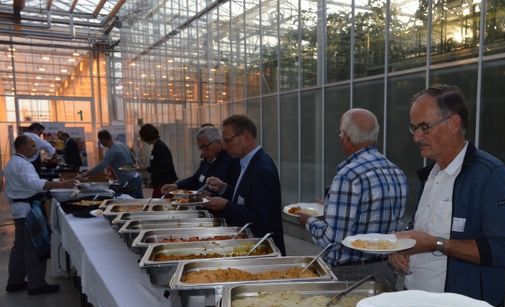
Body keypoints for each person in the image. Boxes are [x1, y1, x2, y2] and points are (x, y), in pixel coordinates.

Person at [388, 85, 505, 307]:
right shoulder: (431, 174)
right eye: (414, 128)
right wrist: (400, 249)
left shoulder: (490, 175)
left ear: (453, 124)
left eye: (424, 127)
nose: (417, 137)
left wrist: (436, 244)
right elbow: (422, 228)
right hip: (415, 302)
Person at [296, 108, 408, 283]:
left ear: (346, 137)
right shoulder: (396, 172)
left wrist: (308, 221)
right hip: (387, 269)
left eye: (340, 133)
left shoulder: (347, 176)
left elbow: (333, 240)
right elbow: (373, 212)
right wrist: (330, 208)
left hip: (352, 273)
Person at [202, 115, 286, 254]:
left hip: (262, 250)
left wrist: (226, 205)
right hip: (251, 245)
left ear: (245, 136)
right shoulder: (247, 162)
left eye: (228, 140)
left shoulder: (262, 169)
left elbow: (262, 219)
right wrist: (224, 189)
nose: (224, 147)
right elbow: (247, 200)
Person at [5, 135, 76, 295]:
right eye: (32, 146)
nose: (36, 149)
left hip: (18, 209)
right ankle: (36, 284)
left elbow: (11, 189)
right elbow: (35, 184)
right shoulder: (24, 164)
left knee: (20, 246)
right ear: (22, 147)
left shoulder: (11, 163)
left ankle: (15, 281)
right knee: (35, 246)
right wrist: (61, 184)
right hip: (29, 211)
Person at [160, 126, 240, 196]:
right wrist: (177, 186)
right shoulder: (206, 161)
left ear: (218, 143)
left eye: (205, 147)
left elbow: (236, 195)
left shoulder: (233, 162)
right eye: (201, 148)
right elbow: (196, 179)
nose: (203, 152)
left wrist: (212, 196)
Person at [79, 130, 144, 198]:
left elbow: (100, 166)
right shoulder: (121, 144)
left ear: (103, 140)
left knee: (130, 202)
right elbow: (133, 158)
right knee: (140, 201)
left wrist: (83, 174)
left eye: (100, 141)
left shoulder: (112, 152)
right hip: (136, 177)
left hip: (128, 181)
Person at [137, 124, 178, 198]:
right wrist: (153, 180)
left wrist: (147, 168)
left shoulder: (159, 147)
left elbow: (164, 167)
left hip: (163, 185)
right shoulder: (158, 146)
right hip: (162, 183)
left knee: (159, 203)